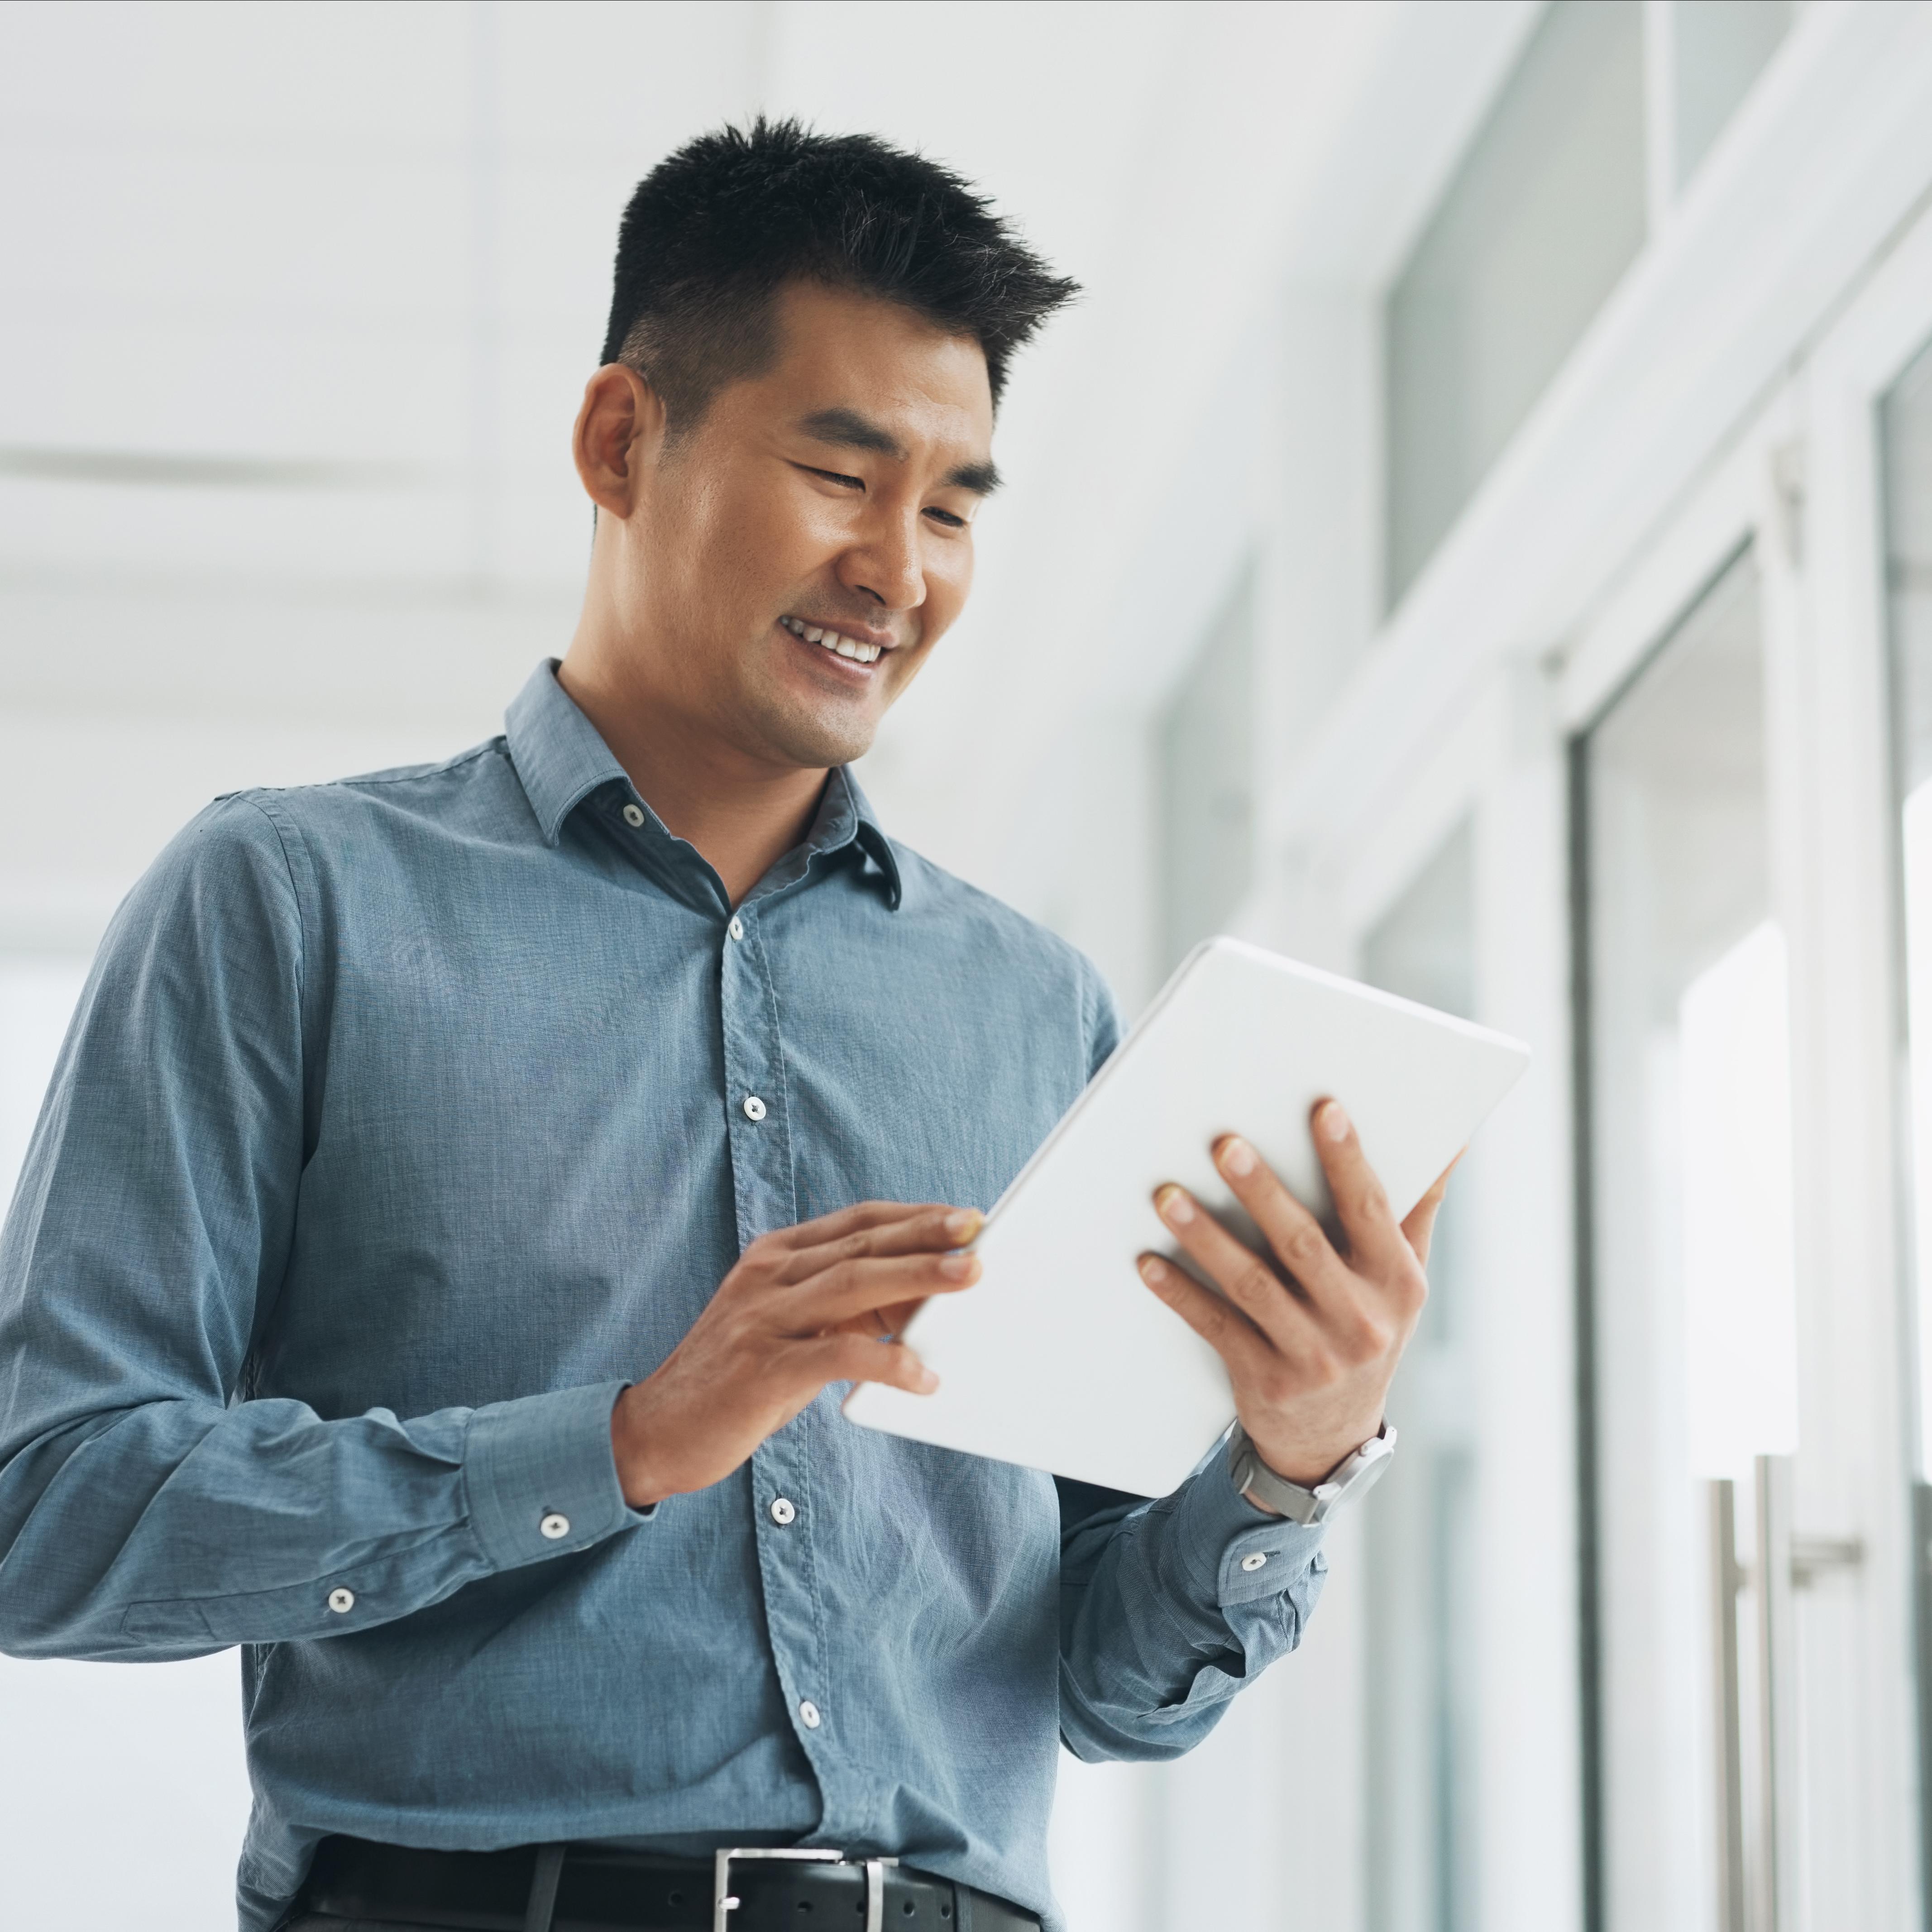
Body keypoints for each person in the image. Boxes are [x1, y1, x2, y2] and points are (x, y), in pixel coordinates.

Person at [0, 121, 1445, 1932]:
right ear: (621, 440)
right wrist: (620, 1437)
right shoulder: (287, 900)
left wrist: (1287, 1455)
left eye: (949, 505)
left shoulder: (1028, 1003)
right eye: (841, 475)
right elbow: (44, 1509)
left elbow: (1096, 1679)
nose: (897, 569)